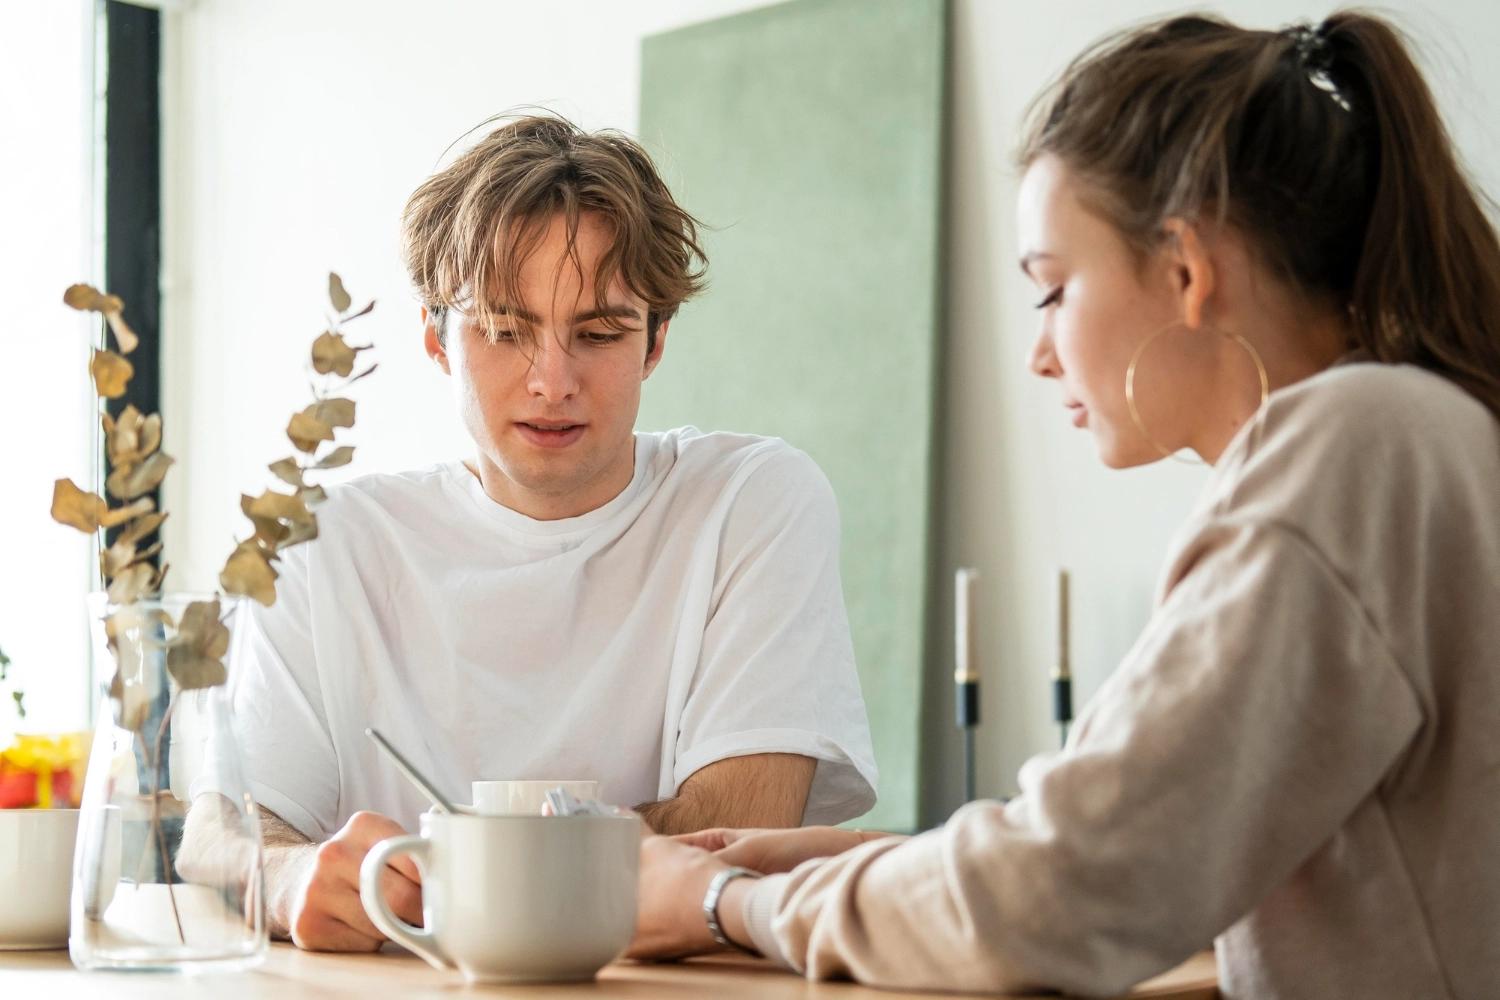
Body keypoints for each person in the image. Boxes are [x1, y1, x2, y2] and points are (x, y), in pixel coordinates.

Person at [627, 12, 1500, 999]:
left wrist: (722, 902)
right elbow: (1122, 851)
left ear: (1185, 267)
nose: (1040, 353)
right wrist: (857, 864)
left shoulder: (1359, 450)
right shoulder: (1422, 433)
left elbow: (1059, 896)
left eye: (1050, 291)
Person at [184, 115, 877, 952]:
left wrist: (443, 872)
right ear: (437, 338)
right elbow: (220, 836)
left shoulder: (751, 502)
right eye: (505, 331)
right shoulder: (323, 542)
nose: (552, 381)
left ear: (657, 340)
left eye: (599, 333)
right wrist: (290, 874)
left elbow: (736, 828)